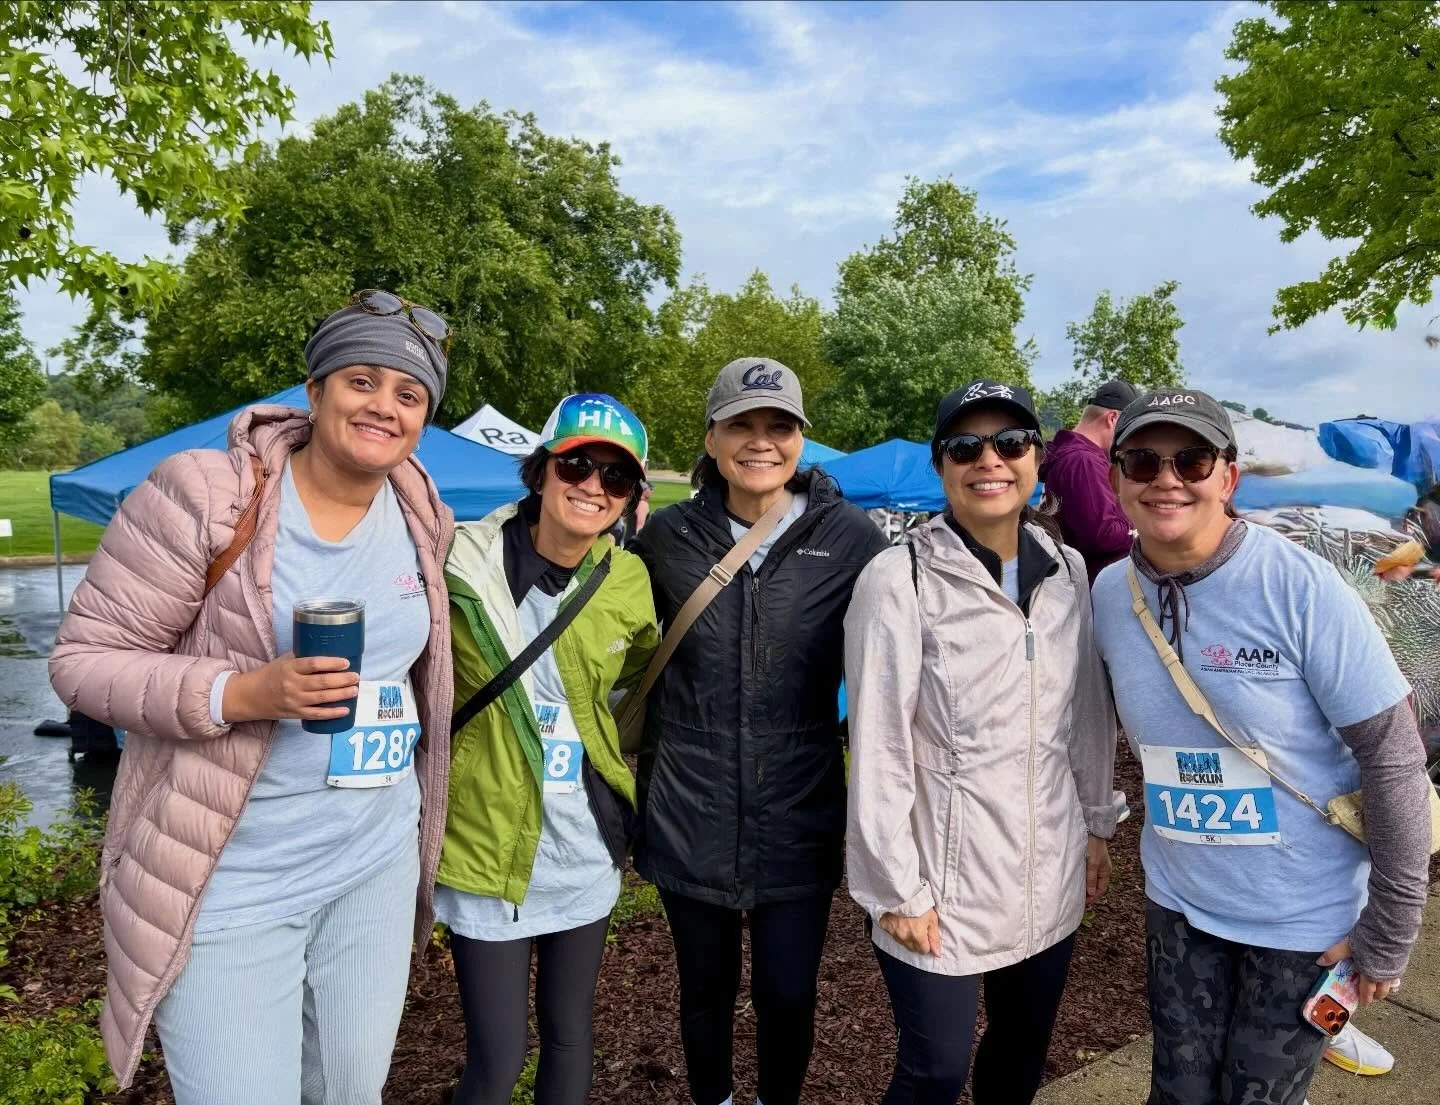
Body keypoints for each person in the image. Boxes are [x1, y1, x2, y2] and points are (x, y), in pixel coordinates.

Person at [48, 290, 456, 1103]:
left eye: (409, 394)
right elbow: (82, 661)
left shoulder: (421, 509)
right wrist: (240, 691)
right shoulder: (208, 494)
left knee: (349, 1092)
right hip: (231, 874)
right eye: (363, 380)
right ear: (314, 390)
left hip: (370, 862)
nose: (385, 406)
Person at [1090, 388, 1433, 1105]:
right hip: (1180, 908)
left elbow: (1393, 754)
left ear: (1227, 478)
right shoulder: (1107, 594)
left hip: (1301, 928)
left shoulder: (1300, 587)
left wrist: (1389, 932)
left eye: (1191, 458)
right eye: (1144, 460)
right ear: (1117, 476)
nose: (1167, 477)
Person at [845, 379, 1118, 1105]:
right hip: (944, 874)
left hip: (1048, 864)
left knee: (1021, 1053)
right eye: (965, 445)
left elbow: (1087, 713)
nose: (988, 459)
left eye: (1010, 442)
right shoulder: (897, 577)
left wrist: (1096, 821)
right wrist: (895, 884)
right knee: (933, 1069)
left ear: (1036, 460)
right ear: (942, 465)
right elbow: (876, 744)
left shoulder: (1069, 572)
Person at [630, 357, 888, 1105]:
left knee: (787, 992)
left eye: (779, 426)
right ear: (710, 438)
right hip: (689, 808)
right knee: (703, 990)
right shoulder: (667, 540)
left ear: (801, 439)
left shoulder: (850, 539)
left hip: (798, 809)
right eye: (741, 424)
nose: (761, 441)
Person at [435, 393, 661, 1105]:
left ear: (630, 498)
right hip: (487, 842)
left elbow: (631, 681)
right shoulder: (458, 563)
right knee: (497, 1058)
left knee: (571, 1034)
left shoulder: (626, 579)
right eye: (578, 464)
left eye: (616, 477)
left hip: (581, 845)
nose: (594, 486)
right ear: (541, 470)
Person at [1039, 378, 1140, 583]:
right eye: (1130, 428)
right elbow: (1103, 535)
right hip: (1091, 586)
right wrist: (1146, 522)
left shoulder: (1070, 455)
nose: (1131, 438)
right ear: (1112, 418)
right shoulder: (1083, 461)